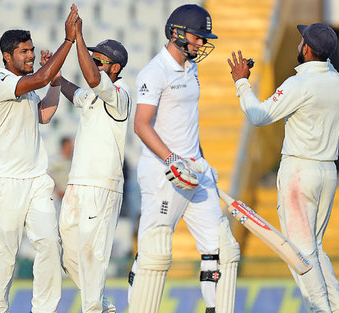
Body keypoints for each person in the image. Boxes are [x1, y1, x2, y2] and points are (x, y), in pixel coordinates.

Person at [227, 22, 339, 312]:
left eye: (301, 42)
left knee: (299, 251)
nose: (298, 45)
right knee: (315, 248)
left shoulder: (299, 84)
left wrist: (242, 82)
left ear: (307, 49)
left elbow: (259, 115)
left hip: (299, 174)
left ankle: (321, 309)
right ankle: (338, 307)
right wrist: (325, 63)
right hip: (327, 172)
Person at [127, 4, 240, 313]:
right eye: (198, 37)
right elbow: (141, 124)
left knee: (223, 249)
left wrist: (201, 162)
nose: (202, 43)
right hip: (164, 173)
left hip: (195, 171)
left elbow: (188, 121)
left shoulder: (192, 67)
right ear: (176, 33)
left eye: (205, 38)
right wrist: (172, 160)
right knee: (155, 251)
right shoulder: (156, 71)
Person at [0, 9, 78, 313]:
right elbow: (40, 77)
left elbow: (44, 115)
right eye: (23, 51)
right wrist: (68, 42)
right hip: (3, 182)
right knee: (4, 256)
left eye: (32, 50)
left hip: (35, 179)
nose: (31, 55)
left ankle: (44, 309)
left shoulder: (27, 83)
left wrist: (55, 83)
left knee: (50, 242)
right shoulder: (0, 83)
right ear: (7, 57)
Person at [56, 4, 132, 313]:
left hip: (102, 186)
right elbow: (76, 91)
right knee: (70, 257)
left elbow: (90, 79)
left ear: (114, 67)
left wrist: (78, 37)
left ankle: (93, 309)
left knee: (92, 255)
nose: (95, 62)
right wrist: (57, 78)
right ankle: (101, 306)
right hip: (77, 184)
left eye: (100, 59)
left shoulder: (119, 94)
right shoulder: (95, 94)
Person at [48, 136, 74, 207]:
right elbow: (49, 176)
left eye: (71, 146)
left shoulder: (73, 162)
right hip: (57, 197)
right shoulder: (55, 161)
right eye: (68, 146)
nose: (70, 149)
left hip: (70, 198)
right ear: (63, 146)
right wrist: (57, 190)